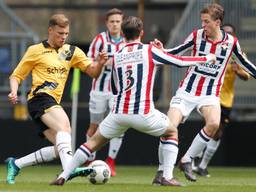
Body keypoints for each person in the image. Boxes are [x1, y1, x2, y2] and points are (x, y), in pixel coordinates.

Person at [50, 16, 216, 186]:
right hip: (143, 113)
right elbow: (179, 61)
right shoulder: (149, 50)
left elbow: (115, 88)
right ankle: (167, 176)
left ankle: (63, 175)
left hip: (118, 113)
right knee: (171, 131)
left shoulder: (117, 55)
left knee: (91, 143)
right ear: (141, 33)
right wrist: (206, 58)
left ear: (123, 34)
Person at [152, 3, 256, 182]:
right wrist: (162, 51)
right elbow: (176, 52)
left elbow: (246, 64)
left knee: (214, 124)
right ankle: (162, 172)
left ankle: (186, 159)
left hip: (209, 94)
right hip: (186, 91)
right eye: (202, 21)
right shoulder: (197, 36)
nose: (203, 25)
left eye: (206, 22)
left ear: (217, 22)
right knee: (169, 127)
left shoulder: (231, 42)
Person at [6, 13, 107, 184]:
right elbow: (16, 76)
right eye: (60, 33)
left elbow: (92, 72)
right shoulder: (35, 50)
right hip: (40, 98)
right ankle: (69, 170)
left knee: (58, 148)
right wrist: (14, 92)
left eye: (66, 34)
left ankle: (16, 164)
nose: (63, 37)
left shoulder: (71, 51)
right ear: (50, 30)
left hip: (51, 103)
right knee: (65, 127)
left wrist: (100, 64)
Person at [193, 23, 250, 177]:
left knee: (217, 133)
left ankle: (201, 165)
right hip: (210, 94)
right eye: (224, 32)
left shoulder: (238, 54)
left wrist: (239, 72)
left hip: (226, 99)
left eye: (230, 33)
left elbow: (247, 76)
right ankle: (192, 159)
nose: (227, 35)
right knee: (210, 126)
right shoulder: (212, 50)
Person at [86, 8, 125, 176]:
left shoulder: (127, 40)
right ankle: (89, 160)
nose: (115, 24)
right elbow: (88, 60)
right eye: (112, 21)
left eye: (118, 21)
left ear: (122, 23)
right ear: (107, 23)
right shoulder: (100, 39)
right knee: (94, 125)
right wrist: (102, 62)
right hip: (99, 90)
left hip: (118, 92)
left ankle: (111, 161)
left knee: (119, 126)